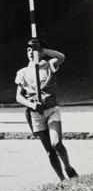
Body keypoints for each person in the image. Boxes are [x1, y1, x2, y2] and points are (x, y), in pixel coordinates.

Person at [15, 39, 78, 182]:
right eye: (29, 50)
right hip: (35, 113)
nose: (31, 52)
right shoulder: (23, 72)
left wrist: (43, 51)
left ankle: (68, 168)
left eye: (34, 49)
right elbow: (18, 96)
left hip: (51, 110)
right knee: (50, 150)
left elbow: (61, 57)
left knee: (57, 144)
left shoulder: (49, 65)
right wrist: (31, 105)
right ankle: (62, 179)